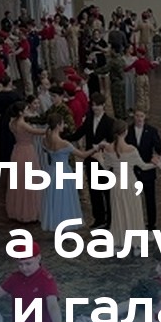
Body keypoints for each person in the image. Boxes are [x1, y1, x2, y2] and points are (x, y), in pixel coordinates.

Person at [100, 120, 158, 252]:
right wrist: (155, 163)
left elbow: (106, 167)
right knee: (133, 211)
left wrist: (99, 158)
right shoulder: (131, 149)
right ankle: (136, 243)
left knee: (118, 212)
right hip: (130, 184)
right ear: (125, 132)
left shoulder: (108, 149)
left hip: (116, 184)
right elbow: (143, 166)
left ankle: (120, 241)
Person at [65, 93, 116, 229]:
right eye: (93, 105)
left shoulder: (110, 122)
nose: (95, 108)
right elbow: (78, 134)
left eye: (97, 105)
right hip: (90, 161)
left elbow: (113, 142)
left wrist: (103, 145)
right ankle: (98, 218)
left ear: (103, 105)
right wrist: (64, 138)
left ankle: (110, 220)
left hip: (104, 162)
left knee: (107, 192)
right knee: (94, 191)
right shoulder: (89, 119)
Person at [40, 114, 97, 232]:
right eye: (62, 123)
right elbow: (82, 155)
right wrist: (96, 148)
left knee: (54, 200)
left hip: (52, 171)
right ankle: (64, 226)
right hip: (63, 172)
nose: (64, 125)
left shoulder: (45, 139)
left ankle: (56, 224)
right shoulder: (64, 143)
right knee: (65, 200)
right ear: (58, 125)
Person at [5, 102, 46, 223]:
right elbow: (37, 132)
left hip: (17, 150)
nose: (27, 110)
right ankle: (29, 211)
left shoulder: (12, 123)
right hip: (27, 151)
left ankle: (18, 209)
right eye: (26, 108)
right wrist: (52, 128)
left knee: (19, 181)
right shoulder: (22, 124)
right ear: (20, 112)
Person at [124, 108, 161, 230]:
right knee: (132, 198)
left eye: (141, 116)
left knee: (150, 199)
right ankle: (134, 222)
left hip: (148, 170)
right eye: (137, 116)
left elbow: (158, 147)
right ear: (134, 116)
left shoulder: (152, 131)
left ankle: (151, 224)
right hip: (132, 170)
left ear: (145, 117)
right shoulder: (128, 131)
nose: (139, 118)